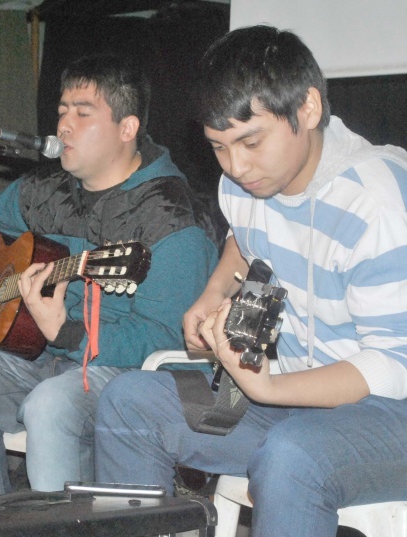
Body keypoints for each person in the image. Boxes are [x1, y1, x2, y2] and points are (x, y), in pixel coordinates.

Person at [95, 25, 407, 537]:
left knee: (293, 458)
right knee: (128, 405)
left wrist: (272, 386)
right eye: (219, 147)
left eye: (251, 141)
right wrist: (214, 292)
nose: (237, 166)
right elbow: (244, 236)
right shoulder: (248, 186)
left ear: (307, 109)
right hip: (298, 402)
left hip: (390, 414)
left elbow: (395, 365)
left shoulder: (377, 201)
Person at [0, 53, 220, 499]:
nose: (63, 126)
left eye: (82, 114)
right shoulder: (48, 189)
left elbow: (167, 340)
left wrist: (67, 332)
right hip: (47, 356)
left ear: (128, 129)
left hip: (126, 374)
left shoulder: (171, 215)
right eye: (62, 111)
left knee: (52, 404)